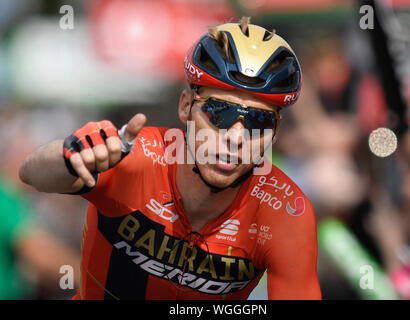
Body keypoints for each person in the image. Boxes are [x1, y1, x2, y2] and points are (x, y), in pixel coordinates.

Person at [19, 17, 321, 300]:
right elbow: (31, 174)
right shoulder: (135, 161)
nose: (236, 137)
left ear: (275, 132)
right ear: (186, 106)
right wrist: (71, 154)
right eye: (221, 112)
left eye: (258, 121)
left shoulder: (282, 213)